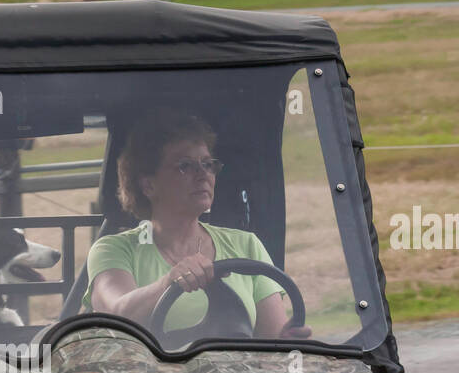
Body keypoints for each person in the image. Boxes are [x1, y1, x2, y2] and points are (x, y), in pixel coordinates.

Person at [84, 110, 310, 339]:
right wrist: (168, 284)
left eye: (207, 164)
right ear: (148, 185)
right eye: (185, 166)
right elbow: (117, 314)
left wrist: (288, 342)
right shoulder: (112, 249)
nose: (203, 175)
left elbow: (271, 342)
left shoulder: (246, 244)